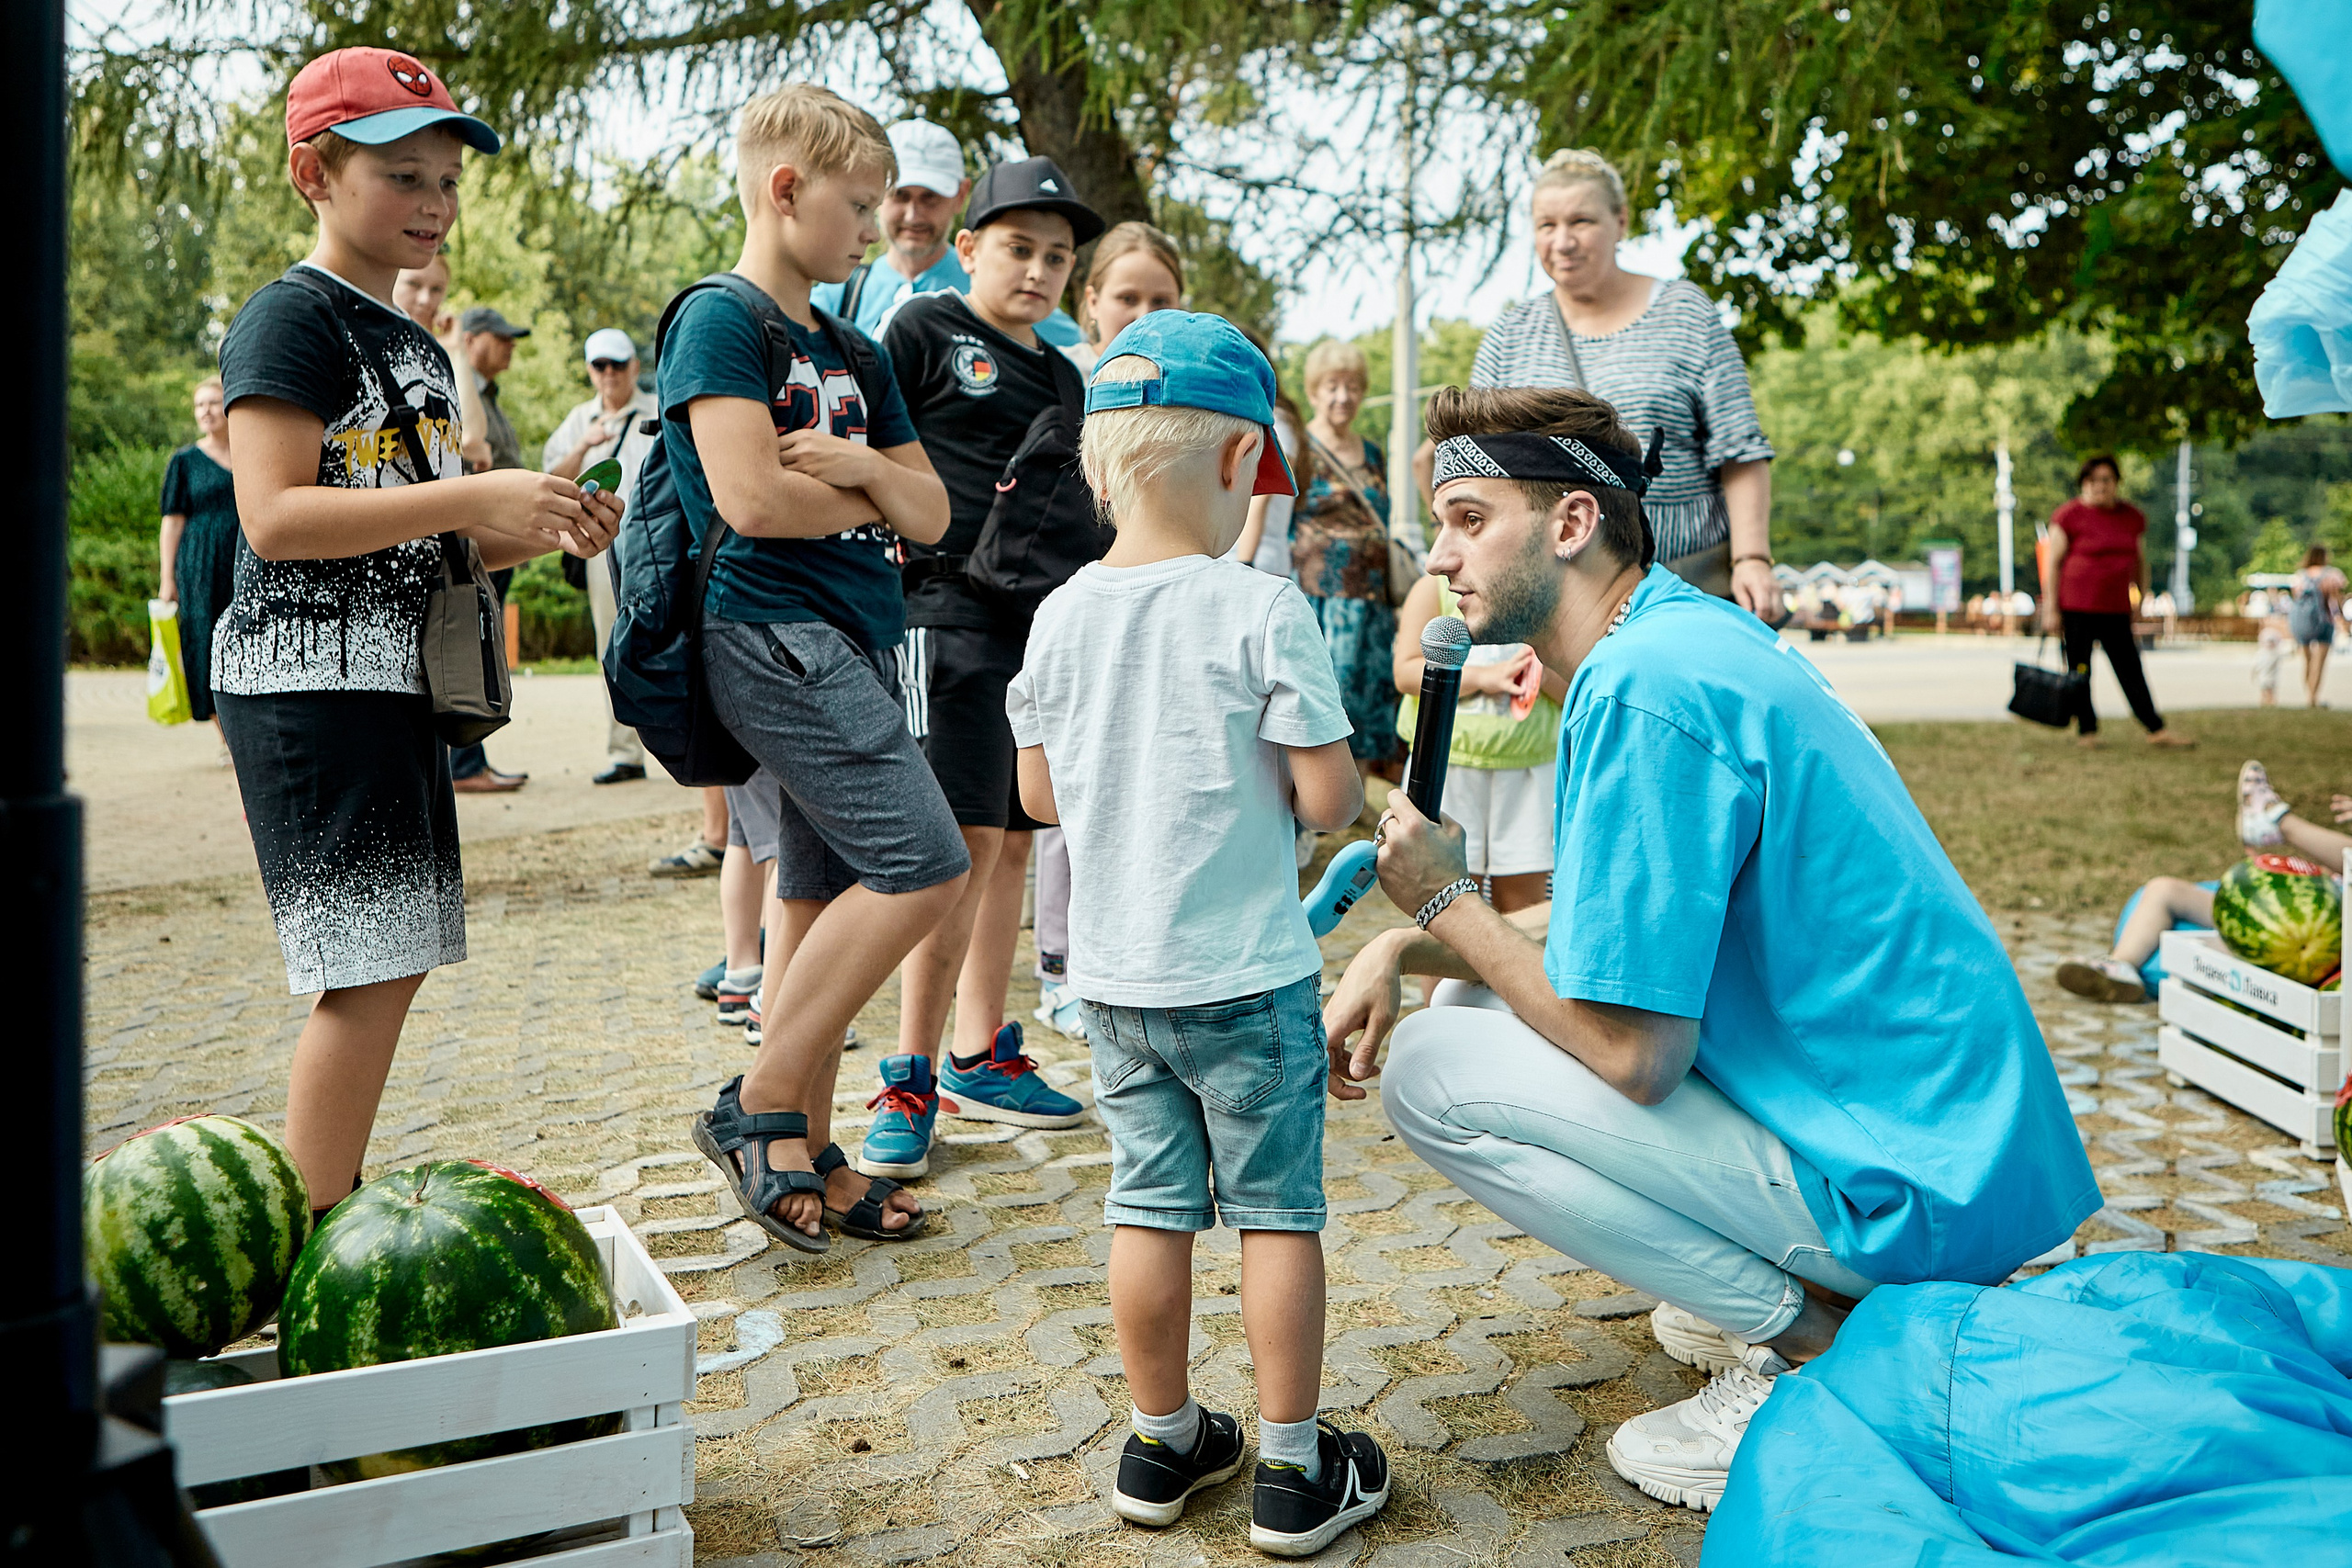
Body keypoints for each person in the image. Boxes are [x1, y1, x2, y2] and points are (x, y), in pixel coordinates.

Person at [1322, 385, 2097, 1514]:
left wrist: (1444, 905)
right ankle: (1789, 1285)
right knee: (1472, 1007)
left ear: (1573, 523)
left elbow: (1636, 1054)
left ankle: (1825, 1347)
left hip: (1918, 1191)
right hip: (1966, 1157)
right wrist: (1404, 948)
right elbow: (1606, 948)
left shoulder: (1644, 692)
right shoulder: (1684, 639)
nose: (1440, 558)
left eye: (1468, 517)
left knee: (1434, 1074)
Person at [1008, 311, 1389, 1556]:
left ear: (1101, 467)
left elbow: (1039, 798)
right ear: (1243, 463)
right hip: (1247, 979)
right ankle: (1291, 1467)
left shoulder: (1059, 615)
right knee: (1277, 1211)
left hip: (1115, 986)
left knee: (1150, 1204)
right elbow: (1330, 799)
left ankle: (1164, 1435)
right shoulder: (1259, 607)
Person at [215, 48, 622, 1213]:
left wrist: (542, 523)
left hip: (392, 679)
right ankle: (318, 1225)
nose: (435, 204)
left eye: (446, 179)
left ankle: (327, 1204)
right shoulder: (288, 320)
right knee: (368, 964)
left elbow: (428, 540)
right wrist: (472, 498)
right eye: (403, 177)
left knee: (392, 962)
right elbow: (278, 518)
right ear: (314, 173)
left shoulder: (411, 342)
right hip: (306, 680)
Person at [673, 84, 967, 1252]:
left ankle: (806, 1144)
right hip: (770, 633)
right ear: (785, 191)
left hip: (853, 639)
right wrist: (868, 485)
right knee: (926, 863)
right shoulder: (721, 320)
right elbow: (748, 499)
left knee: (813, 892)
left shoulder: (851, 347)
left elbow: (933, 513)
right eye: (857, 203)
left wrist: (847, 465)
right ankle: (759, 1108)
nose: (875, 224)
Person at [874, 156, 1103, 1177]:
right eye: (1019, 247)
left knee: (1014, 839)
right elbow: (875, 447)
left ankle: (977, 1051)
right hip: (938, 610)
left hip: (1037, 626)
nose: (1040, 270)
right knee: (955, 845)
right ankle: (908, 1075)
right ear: (968, 248)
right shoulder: (922, 329)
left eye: (1057, 256)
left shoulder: (1063, 373)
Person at [1420, 149, 1780, 620]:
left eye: (1581, 221)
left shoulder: (1686, 312)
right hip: (1561, 596)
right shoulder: (1509, 335)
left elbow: (1739, 449)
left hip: (1686, 582)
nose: (1563, 241)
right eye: (1546, 226)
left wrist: (1751, 558)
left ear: (1621, 222)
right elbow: (1479, 474)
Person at [1034, 220, 1188, 1042]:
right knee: (1066, 799)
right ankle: (1059, 963)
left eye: (1160, 299)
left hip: (1159, 621)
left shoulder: (1188, 400)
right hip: (1072, 615)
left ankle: (1141, 956)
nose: (1141, 312)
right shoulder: (1059, 386)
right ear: (1090, 302)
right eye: (1126, 297)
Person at [2056, 759, 2352, 1002]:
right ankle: (2120, 966)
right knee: (2164, 891)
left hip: (2312, 940)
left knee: (2174, 901)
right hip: (2301, 916)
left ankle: (2274, 819)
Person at [811, 118, 1084, 351]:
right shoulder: (840, 293)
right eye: (900, 195)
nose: (913, 215)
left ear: (960, 195)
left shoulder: (997, 289)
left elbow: (1082, 356)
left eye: (930, 198)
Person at [1390, 573, 1562, 916]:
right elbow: (1406, 672)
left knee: (1522, 904)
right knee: (1441, 900)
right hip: (1446, 769)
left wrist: (1537, 666)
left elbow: (1572, 684)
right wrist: (1483, 678)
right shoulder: (1433, 589)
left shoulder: (1549, 591)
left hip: (1528, 771)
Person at [543, 326, 659, 784]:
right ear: (591, 370)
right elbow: (549, 479)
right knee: (611, 642)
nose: (609, 374)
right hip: (601, 544)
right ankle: (625, 752)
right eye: (600, 365)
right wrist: (584, 446)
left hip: (658, 539)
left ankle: (688, 745)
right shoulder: (579, 419)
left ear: (634, 366)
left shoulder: (657, 409)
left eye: (617, 364)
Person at [1293, 339, 1403, 788]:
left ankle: (1351, 812)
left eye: (1353, 386)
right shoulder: (1300, 447)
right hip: (1323, 603)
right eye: (1333, 386)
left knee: (1370, 706)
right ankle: (1317, 809)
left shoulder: (1373, 452)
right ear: (1315, 392)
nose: (1344, 396)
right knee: (1328, 704)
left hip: (1373, 604)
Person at [2041, 454, 2194, 749]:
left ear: (2116, 482)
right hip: (2076, 607)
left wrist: (2140, 598)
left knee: (2130, 668)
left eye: (2106, 480)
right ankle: (2087, 731)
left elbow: (2139, 561)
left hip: (2115, 608)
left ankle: (2154, 728)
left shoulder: (2131, 517)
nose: (2100, 486)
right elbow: (2053, 564)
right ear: (2084, 483)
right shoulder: (2068, 516)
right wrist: (2051, 608)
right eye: (2093, 480)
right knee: (2080, 669)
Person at [156, 377, 239, 751]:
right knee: (205, 643)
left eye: (212, 402)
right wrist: (167, 577)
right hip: (200, 567)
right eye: (198, 404)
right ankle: (227, 738)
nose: (205, 410)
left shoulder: (249, 452)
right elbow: (172, 522)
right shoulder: (184, 461)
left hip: (243, 561)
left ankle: (243, 730)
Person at [2290, 544, 2346, 707]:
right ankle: (2312, 698)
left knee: (2307, 661)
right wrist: (2343, 618)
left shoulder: (2300, 576)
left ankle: (2310, 696)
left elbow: (2296, 598)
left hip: (2301, 621)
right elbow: (2335, 598)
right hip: (2324, 621)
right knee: (2319, 662)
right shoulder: (2332, 574)